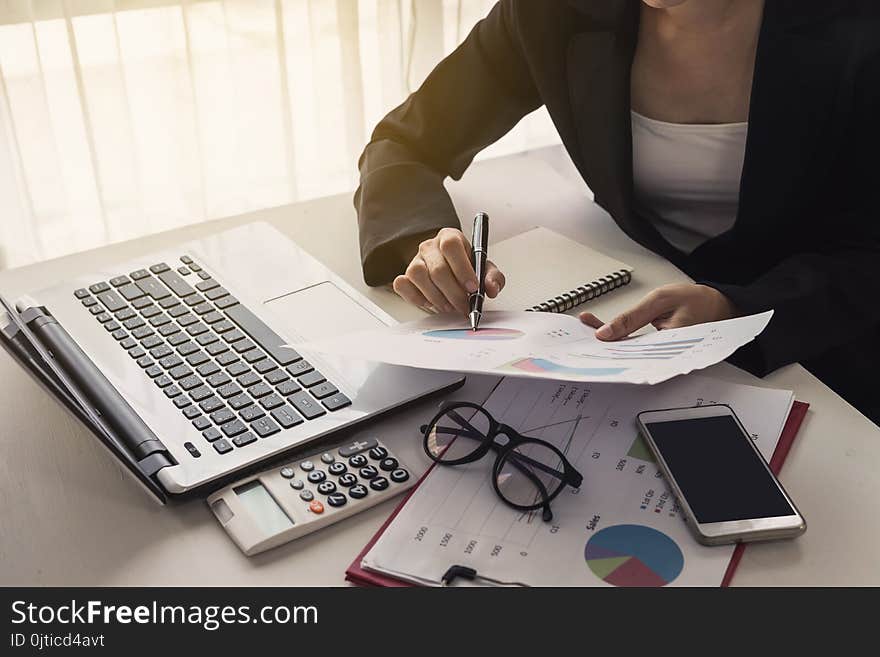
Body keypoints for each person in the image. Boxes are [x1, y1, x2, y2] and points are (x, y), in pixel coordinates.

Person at [353, 0, 880, 424]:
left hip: (820, 341)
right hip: (634, 330)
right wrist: (425, 241)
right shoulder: (552, 12)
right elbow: (405, 142)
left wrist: (736, 308)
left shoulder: (858, 28)